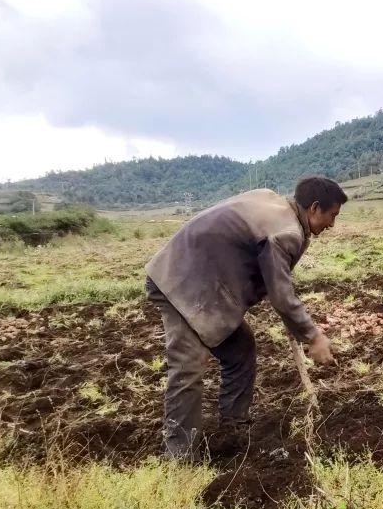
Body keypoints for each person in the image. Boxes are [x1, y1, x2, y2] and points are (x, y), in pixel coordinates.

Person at [145, 176, 346, 461]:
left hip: (203, 280)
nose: (332, 225)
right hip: (181, 282)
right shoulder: (287, 232)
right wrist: (313, 336)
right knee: (188, 364)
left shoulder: (271, 200)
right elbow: (281, 293)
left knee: (240, 349)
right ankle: (179, 456)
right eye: (332, 216)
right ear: (314, 208)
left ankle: (233, 426)